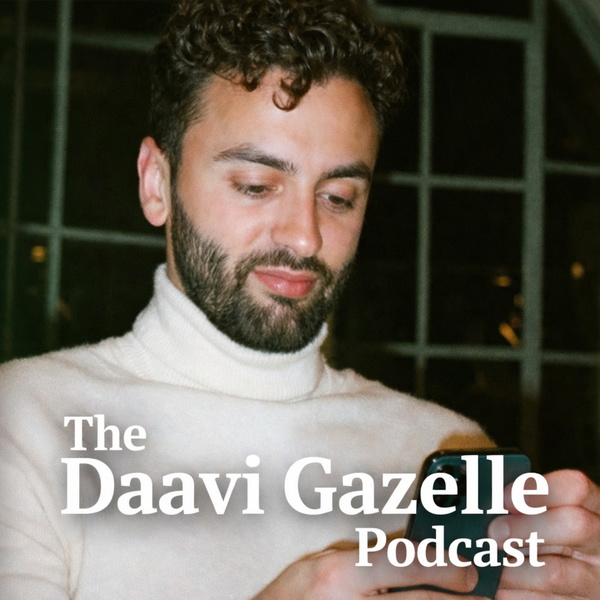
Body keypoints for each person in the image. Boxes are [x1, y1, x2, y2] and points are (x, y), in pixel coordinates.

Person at [1, 0, 599, 598]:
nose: (305, 236)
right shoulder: (25, 422)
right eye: (256, 185)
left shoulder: (442, 454)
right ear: (156, 183)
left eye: (338, 197)